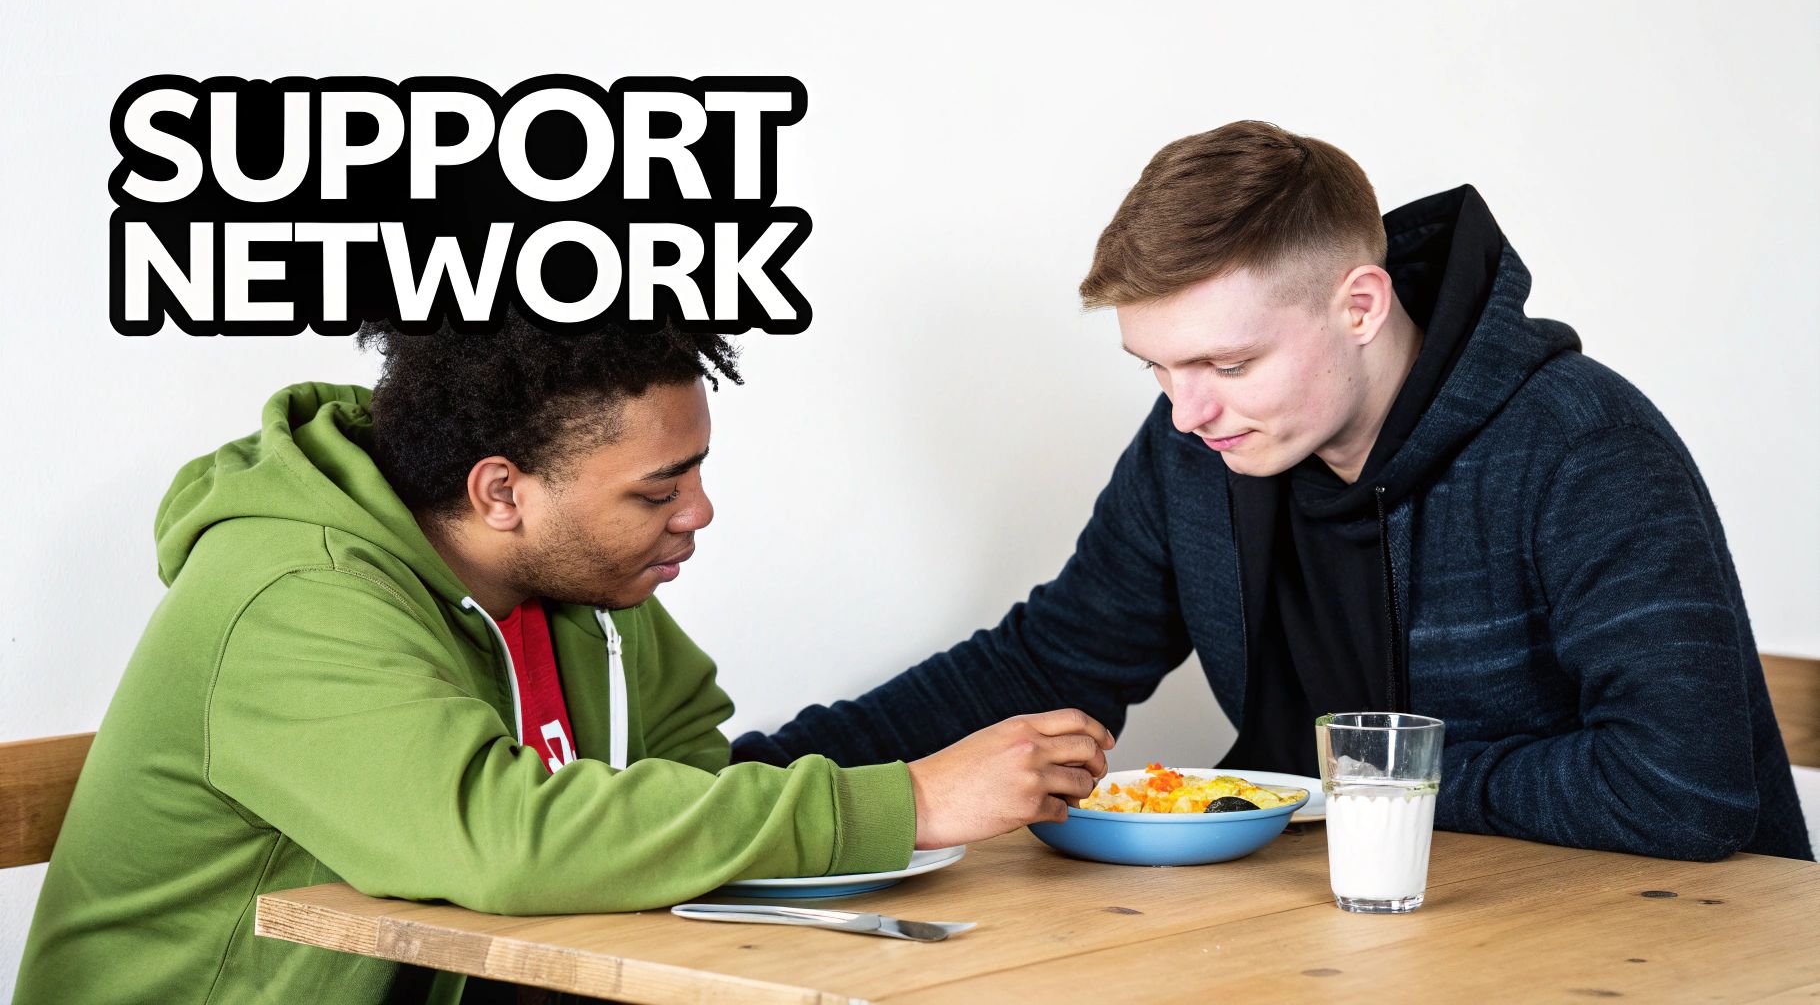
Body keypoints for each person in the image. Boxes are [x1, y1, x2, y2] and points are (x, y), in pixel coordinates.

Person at [733, 120, 1813, 863]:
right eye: (1156, 369)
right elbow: (1047, 662)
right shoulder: (1197, 450)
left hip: (1655, 944)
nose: (1187, 411)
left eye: (1228, 363)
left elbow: (1682, 791)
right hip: (1344, 938)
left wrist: (1350, 783)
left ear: (1359, 305)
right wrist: (745, 787)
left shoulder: (1580, 446)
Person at [15, 317, 1115, 1005]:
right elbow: (500, 838)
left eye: (696, 470)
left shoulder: (582, 587)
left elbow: (686, 782)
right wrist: (909, 800)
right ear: (502, 491)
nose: (698, 510)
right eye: (657, 488)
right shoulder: (293, 599)